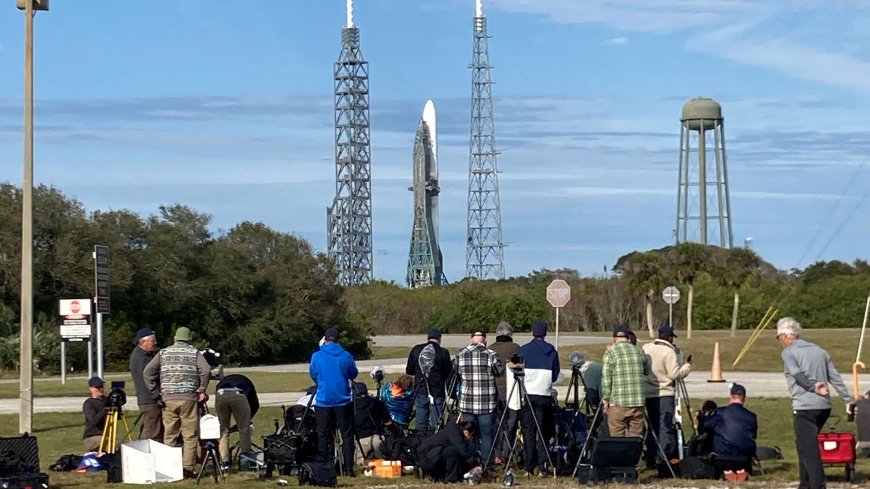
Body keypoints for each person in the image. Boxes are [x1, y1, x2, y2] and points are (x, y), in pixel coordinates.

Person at [776, 317, 856, 489]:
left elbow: (797, 375)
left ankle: (818, 486)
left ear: (785, 336)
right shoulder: (820, 351)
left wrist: (812, 387)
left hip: (805, 408)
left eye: (778, 338)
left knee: (810, 452)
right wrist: (847, 400)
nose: (779, 342)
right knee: (803, 445)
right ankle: (804, 484)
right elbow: (835, 377)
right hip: (824, 408)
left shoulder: (788, 352)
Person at [143, 326, 211, 476]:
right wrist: (201, 389)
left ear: (175, 338)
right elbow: (206, 370)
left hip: (168, 398)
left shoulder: (163, 352)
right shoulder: (194, 352)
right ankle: (188, 467)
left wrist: (155, 392)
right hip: (188, 398)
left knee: (170, 434)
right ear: (190, 339)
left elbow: (147, 372)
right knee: (189, 435)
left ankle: (169, 467)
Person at [309, 326, 359, 476]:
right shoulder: (346, 355)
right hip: (343, 400)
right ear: (338, 340)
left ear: (325, 340)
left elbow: (313, 374)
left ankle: (325, 466)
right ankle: (349, 468)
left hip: (323, 401)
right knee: (347, 434)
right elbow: (353, 374)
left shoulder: (316, 356)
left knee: (323, 434)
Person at [642, 325, 692, 466]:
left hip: (649, 393)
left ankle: (650, 455)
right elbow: (674, 374)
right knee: (665, 426)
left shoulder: (646, 348)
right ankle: (663, 457)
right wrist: (687, 367)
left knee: (652, 426)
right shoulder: (669, 352)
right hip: (664, 393)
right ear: (670, 337)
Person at [456, 328, 504, 471]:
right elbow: (499, 372)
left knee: (468, 435)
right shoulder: (491, 355)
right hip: (486, 403)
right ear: (485, 339)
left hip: (467, 402)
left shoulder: (461, 354)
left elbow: (456, 372)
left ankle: (470, 462)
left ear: (471, 339)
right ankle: (487, 465)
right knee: (486, 435)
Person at [517, 321, 560, 476]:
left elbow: (515, 371)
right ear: (545, 333)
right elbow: (555, 374)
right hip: (544, 394)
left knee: (528, 430)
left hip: (527, 394)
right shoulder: (551, 351)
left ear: (532, 333)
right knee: (543, 430)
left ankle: (529, 466)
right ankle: (543, 465)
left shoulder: (522, 350)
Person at [700, 383, 757, 481]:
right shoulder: (752, 416)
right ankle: (741, 471)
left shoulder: (720, 412)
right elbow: (753, 436)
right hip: (745, 458)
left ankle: (727, 472)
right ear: (744, 398)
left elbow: (704, 427)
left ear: (730, 397)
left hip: (723, 457)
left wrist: (701, 417)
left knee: (712, 434)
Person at [601, 325, 649, 438]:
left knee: (617, 435)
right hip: (638, 402)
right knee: (636, 436)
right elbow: (647, 371)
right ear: (628, 337)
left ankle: (620, 455)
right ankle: (636, 455)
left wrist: (606, 400)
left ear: (614, 338)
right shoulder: (639, 351)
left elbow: (606, 379)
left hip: (619, 402)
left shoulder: (611, 353)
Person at [406, 328, 453, 430]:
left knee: (420, 421)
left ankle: (420, 440)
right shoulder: (443, 352)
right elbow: (448, 372)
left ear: (428, 338)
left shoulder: (416, 349)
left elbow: (409, 370)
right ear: (439, 338)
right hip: (437, 392)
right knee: (436, 423)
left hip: (420, 390)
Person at [488, 321, 521, 463]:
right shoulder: (516, 348)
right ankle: (507, 453)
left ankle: (496, 453)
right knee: (511, 422)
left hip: (494, 390)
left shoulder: (489, 349)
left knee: (497, 423)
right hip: (511, 390)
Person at [214, 373, 259, 470]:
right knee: (244, 430)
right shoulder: (248, 384)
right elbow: (255, 405)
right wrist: (247, 419)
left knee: (223, 430)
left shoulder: (222, 382)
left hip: (220, 394)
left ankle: (224, 462)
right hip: (238, 394)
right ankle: (245, 461)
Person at [129, 327, 162, 442]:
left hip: (148, 398)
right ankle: (148, 453)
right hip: (149, 399)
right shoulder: (141, 358)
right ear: (143, 342)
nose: (155, 343)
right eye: (153, 341)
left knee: (152, 427)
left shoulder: (144, 355)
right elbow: (151, 376)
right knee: (152, 431)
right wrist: (157, 393)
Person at [352, 382, 395, 464]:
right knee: (383, 458)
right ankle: (378, 461)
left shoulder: (352, 406)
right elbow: (388, 422)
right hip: (378, 438)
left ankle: (370, 462)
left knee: (359, 461)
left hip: (362, 439)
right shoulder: (377, 403)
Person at [82, 376, 108, 452]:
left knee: (120, 447)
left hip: (106, 435)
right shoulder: (88, 404)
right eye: (98, 387)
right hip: (92, 437)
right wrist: (105, 410)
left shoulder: (105, 401)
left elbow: (118, 417)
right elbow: (94, 421)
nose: (101, 389)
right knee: (114, 446)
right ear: (91, 389)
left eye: (101, 387)